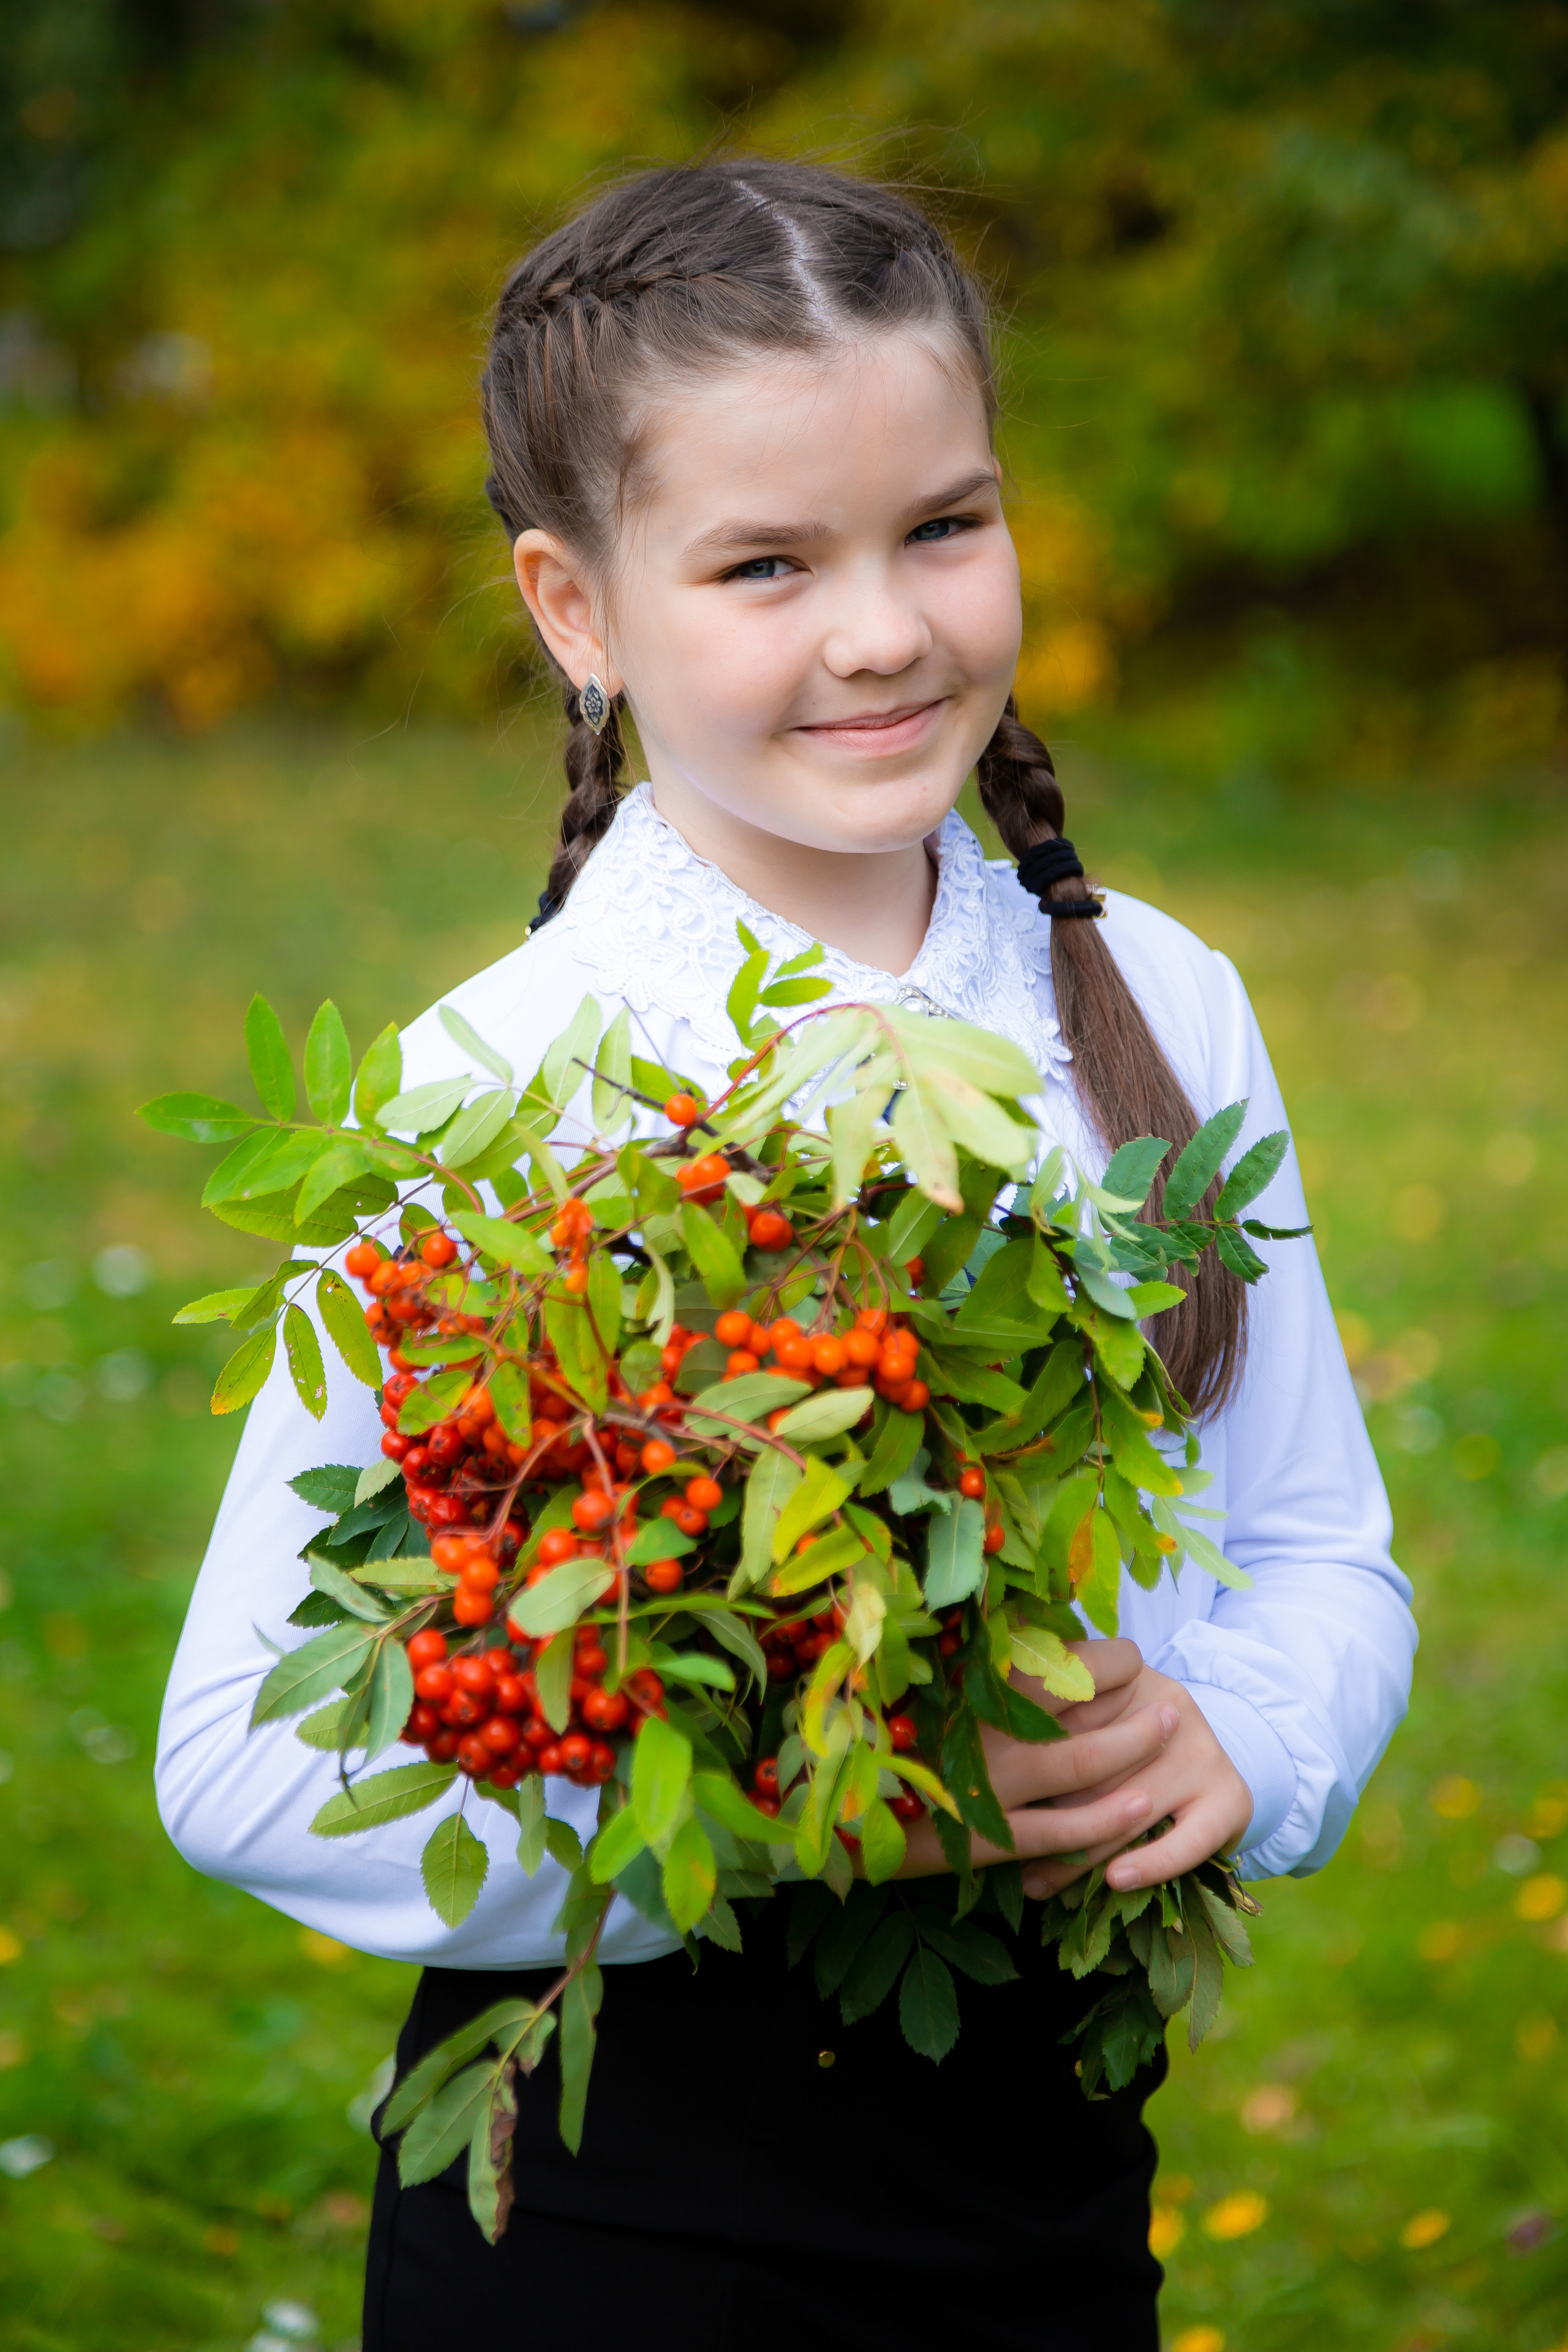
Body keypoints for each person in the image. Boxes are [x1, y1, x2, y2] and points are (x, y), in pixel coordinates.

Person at [156, 158, 1415, 2351]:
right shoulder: (491, 1098)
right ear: (576, 609)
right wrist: (782, 1818)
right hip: (609, 2227)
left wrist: (1246, 1736)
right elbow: (241, 1762)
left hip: (1042, 2187)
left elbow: (1317, 1546)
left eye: (944, 525)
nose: (885, 629)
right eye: (767, 563)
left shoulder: (1159, 1005)